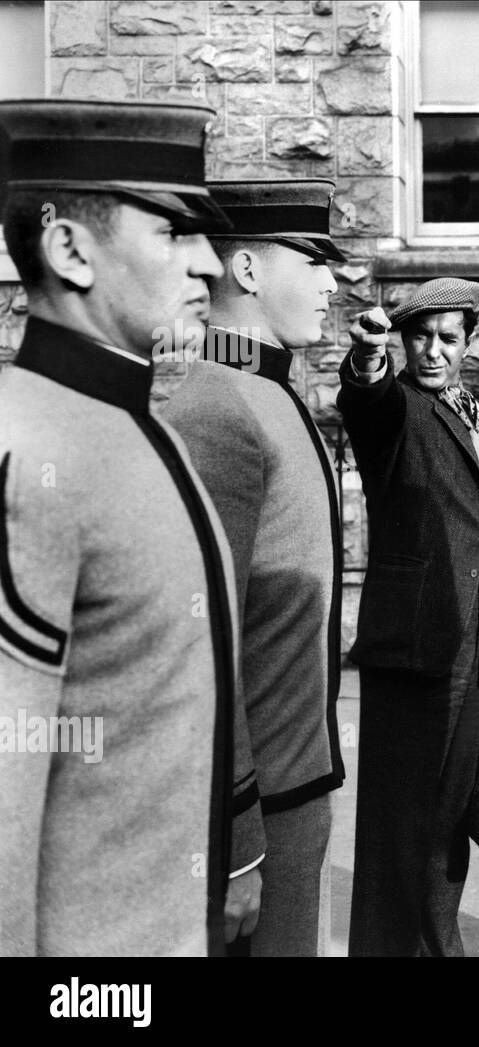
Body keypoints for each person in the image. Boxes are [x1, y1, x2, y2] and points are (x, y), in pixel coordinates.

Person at [0, 98, 237, 956]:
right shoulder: (25, 445)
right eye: (172, 232)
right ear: (70, 249)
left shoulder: (148, 425)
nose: (208, 264)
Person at [161, 179, 347, 957]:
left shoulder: (266, 389)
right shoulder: (218, 405)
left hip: (293, 789)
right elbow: (202, 641)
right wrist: (235, 838)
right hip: (257, 806)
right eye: (312, 260)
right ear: (245, 269)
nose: (333, 282)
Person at [339, 277, 479, 957]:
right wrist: (367, 360)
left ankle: (434, 943)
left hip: (475, 656)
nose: (433, 351)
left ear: (470, 343)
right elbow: (368, 402)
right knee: (405, 831)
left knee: (448, 826)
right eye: (421, 336)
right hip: (416, 656)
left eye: (449, 338)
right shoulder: (400, 411)